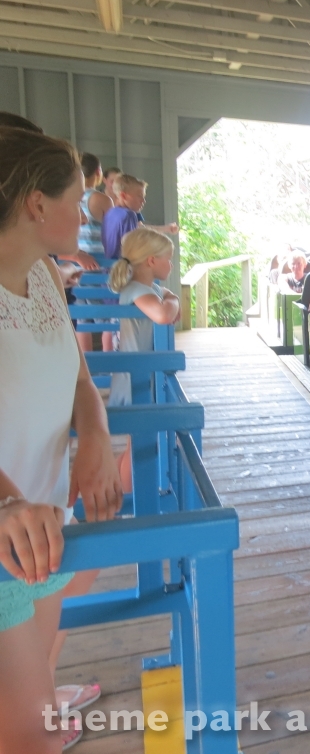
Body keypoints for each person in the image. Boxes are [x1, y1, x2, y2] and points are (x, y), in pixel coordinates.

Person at [0, 126, 122, 752]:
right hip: (6, 536)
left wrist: (95, 432)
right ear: (35, 205)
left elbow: (75, 371)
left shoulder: (44, 277)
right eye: (76, 200)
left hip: (39, 529)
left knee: (36, 698)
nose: (86, 215)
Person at [107, 229, 179, 491]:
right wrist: (173, 300)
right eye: (167, 258)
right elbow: (163, 315)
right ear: (151, 261)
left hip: (140, 375)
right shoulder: (137, 290)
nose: (171, 264)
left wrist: (169, 301)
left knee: (135, 442)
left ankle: (116, 492)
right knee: (138, 445)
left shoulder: (149, 289)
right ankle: (130, 501)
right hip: (135, 379)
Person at [75, 153, 116, 353]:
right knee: (106, 318)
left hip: (73, 266)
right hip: (97, 264)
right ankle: (112, 366)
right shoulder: (101, 199)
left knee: (81, 318)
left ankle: (87, 366)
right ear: (99, 173)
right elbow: (113, 236)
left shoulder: (67, 198)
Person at [102, 175, 178, 260]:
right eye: (139, 196)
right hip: (123, 267)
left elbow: (139, 229)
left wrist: (166, 228)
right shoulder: (129, 215)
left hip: (110, 266)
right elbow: (131, 247)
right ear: (123, 196)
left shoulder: (111, 213)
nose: (143, 201)